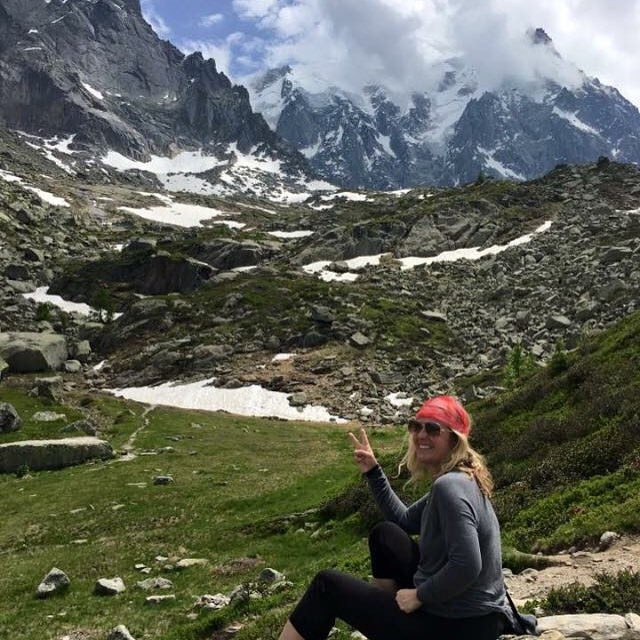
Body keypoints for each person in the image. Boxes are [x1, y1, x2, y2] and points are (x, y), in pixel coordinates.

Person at [278, 395, 511, 640]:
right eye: (416, 426)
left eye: (433, 429)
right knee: (385, 535)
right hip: (476, 617)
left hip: (459, 626)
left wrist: (419, 596)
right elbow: (404, 520)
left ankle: (397, 622)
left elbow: (468, 565)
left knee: (326, 586)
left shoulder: (449, 488)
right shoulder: (461, 478)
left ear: (454, 440)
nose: (421, 435)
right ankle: (392, 622)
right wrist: (373, 471)